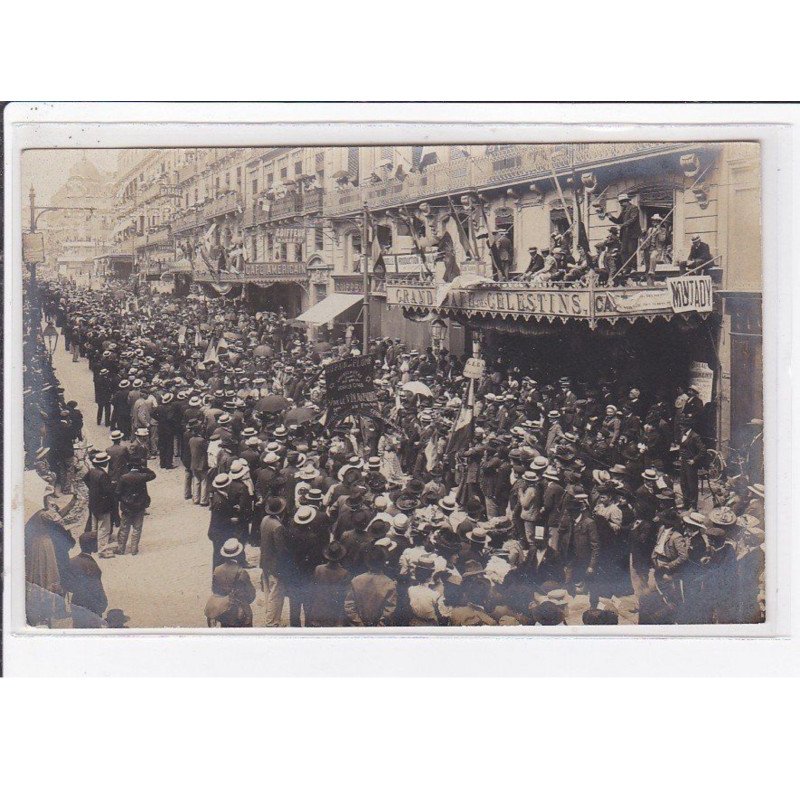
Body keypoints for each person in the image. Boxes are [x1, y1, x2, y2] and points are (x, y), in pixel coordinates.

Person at [205, 539, 256, 627]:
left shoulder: (217, 569)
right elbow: (251, 594)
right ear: (238, 554)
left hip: (224, 609)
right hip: (239, 610)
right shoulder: (241, 572)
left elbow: (215, 590)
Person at [345, 545, 397, 626]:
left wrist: (359, 624)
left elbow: (349, 605)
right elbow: (389, 610)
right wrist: (379, 626)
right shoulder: (389, 583)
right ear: (384, 562)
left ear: (367, 562)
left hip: (359, 626)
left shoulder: (356, 580)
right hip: (379, 629)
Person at [64, 531, 108, 628]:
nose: (98, 544)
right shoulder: (91, 565)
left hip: (76, 602)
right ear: (92, 545)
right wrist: (103, 603)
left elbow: (67, 584)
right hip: (91, 605)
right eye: (96, 542)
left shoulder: (72, 561)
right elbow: (97, 588)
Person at [116, 458, 156, 556]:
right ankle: (134, 550)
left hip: (127, 507)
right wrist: (144, 468)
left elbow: (117, 493)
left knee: (124, 528)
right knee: (137, 528)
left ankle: (121, 549)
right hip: (140, 506)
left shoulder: (123, 477)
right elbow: (153, 475)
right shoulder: (143, 476)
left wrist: (124, 500)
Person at [84, 451, 117, 558]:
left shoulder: (92, 471)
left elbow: (85, 479)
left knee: (94, 527)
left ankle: (93, 547)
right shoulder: (103, 475)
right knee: (104, 528)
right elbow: (108, 491)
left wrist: (94, 489)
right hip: (103, 505)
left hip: (93, 503)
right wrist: (113, 485)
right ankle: (102, 550)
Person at [606, 193, 642, 282]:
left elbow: (633, 219)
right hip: (625, 235)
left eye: (621, 202)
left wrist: (622, 225)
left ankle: (633, 268)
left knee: (631, 251)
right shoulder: (624, 210)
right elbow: (618, 221)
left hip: (633, 234)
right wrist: (610, 217)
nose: (620, 204)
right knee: (623, 251)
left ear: (626, 201)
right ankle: (626, 267)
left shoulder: (634, 208)